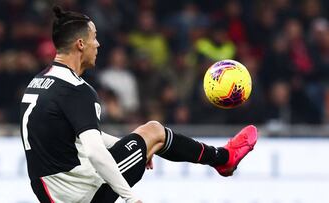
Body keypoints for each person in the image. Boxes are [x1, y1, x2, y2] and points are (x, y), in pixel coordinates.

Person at [19, 6, 258, 203]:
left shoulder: (39, 82)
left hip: (52, 194)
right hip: (82, 195)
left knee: (150, 136)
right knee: (154, 130)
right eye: (94, 38)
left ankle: (219, 158)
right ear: (80, 44)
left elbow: (82, 135)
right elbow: (93, 150)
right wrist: (130, 197)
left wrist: (135, 146)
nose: (98, 44)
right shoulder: (77, 90)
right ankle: (224, 159)